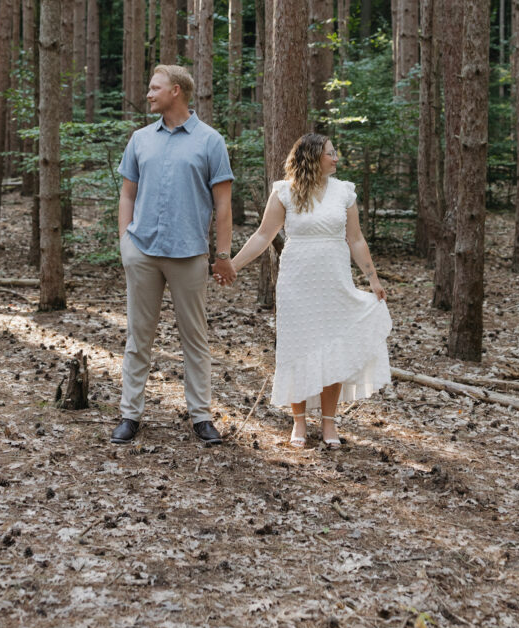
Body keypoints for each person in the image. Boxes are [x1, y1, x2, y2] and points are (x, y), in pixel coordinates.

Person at [231, 133, 391, 448]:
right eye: (331, 153)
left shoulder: (345, 192)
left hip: (334, 280)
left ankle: (329, 424)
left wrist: (372, 277)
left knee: (333, 347)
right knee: (297, 348)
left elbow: (355, 239)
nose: (336, 158)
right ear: (313, 157)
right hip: (297, 282)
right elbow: (264, 236)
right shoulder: (285, 192)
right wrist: (232, 266)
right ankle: (299, 423)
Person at [110, 65, 236, 446]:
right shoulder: (140, 139)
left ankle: (201, 417)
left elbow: (224, 206)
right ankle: (130, 414)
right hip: (142, 251)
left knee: (194, 339)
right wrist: (124, 243)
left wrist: (223, 254)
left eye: (155, 88)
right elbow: (127, 194)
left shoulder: (210, 141)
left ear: (176, 91)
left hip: (189, 255)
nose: (148, 94)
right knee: (138, 337)